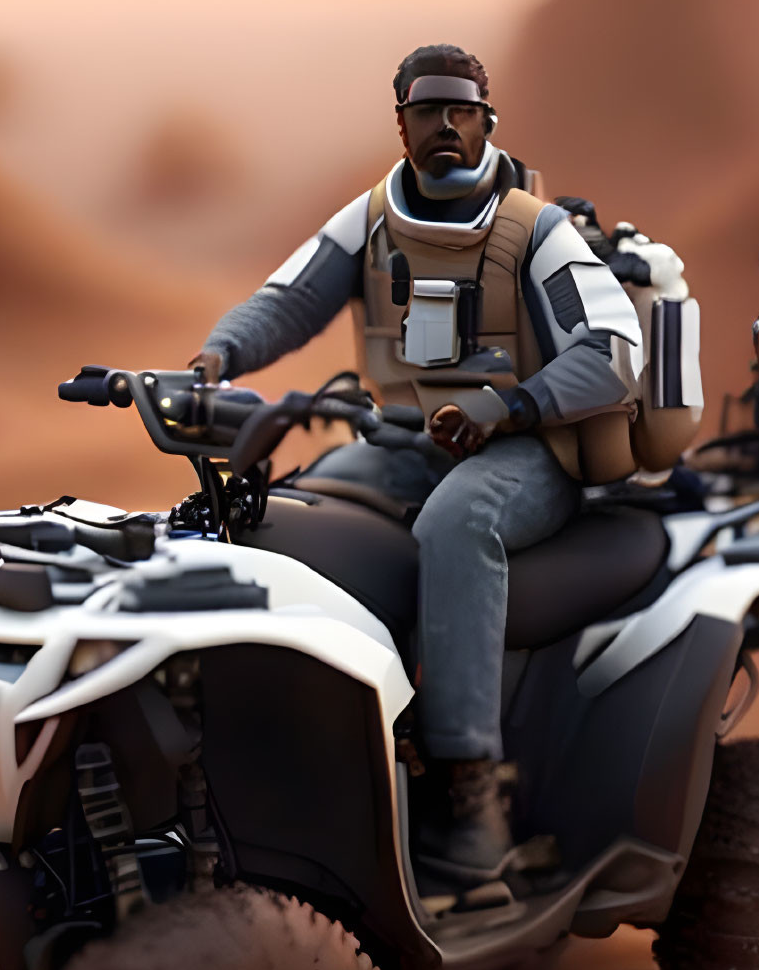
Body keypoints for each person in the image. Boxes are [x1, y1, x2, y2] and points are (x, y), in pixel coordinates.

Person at [189, 44, 647, 888]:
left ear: (486, 120)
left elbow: (615, 351)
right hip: (400, 443)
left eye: (460, 110)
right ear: (399, 123)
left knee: (457, 524)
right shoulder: (367, 219)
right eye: (426, 112)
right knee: (286, 514)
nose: (444, 127)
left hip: (526, 452)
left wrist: (508, 407)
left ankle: (470, 789)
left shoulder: (532, 230)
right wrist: (214, 359)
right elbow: (287, 301)